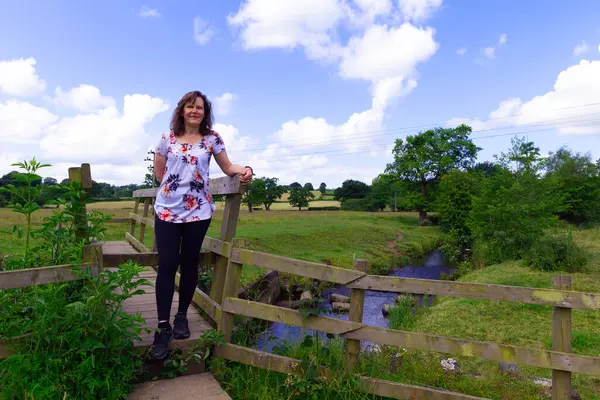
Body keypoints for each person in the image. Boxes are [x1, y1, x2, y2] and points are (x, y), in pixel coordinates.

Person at [150, 90, 253, 359]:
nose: (195, 111)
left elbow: (228, 167)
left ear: (205, 113)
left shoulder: (212, 139)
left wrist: (245, 170)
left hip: (199, 211)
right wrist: (174, 189)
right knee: (168, 263)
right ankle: (163, 327)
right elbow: (159, 173)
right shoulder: (166, 138)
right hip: (167, 212)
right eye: (190, 106)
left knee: (190, 261)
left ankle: (182, 316)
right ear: (181, 110)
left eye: (199, 107)